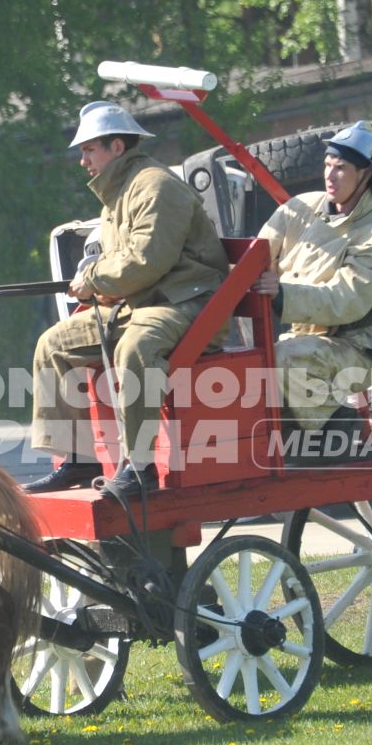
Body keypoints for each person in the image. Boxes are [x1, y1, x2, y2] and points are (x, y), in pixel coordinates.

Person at [27, 101, 228, 495]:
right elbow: (123, 262)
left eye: (89, 150)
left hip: (185, 304)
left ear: (117, 147)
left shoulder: (157, 186)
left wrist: (94, 279)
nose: (83, 161)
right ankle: (79, 460)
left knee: (135, 349)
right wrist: (96, 281)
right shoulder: (117, 194)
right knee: (53, 344)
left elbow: (146, 261)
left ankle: (140, 468)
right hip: (140, 302)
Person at [251, 121, 372, 440]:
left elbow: (343, 300)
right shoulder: (300, 208)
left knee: (286, 359)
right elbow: (259, 252)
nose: (330, 175)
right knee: (243, 361)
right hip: (302, 338)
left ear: (366, 175)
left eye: (341, 168)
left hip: (356, 346)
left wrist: (281, 295)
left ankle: (338, 424)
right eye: (327, 165)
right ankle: (287, 434)